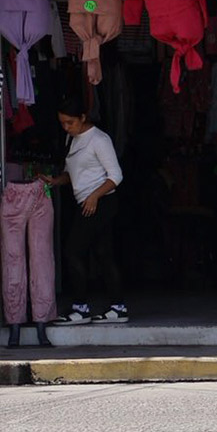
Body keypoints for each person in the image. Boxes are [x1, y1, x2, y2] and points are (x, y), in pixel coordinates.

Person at [53, 97, 127, 324]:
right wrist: (55, 181)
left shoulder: (99, 139)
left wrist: (94, 196)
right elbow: (72, 173)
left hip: (99, 202)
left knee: (73, 251)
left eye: (70, 122)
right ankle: (117, 307)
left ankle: (81, 307)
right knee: (103, 253)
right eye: (63, 123)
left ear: (82, 118)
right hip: (85, 202)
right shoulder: (72, 139)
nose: (66, 127)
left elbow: (116, 175)